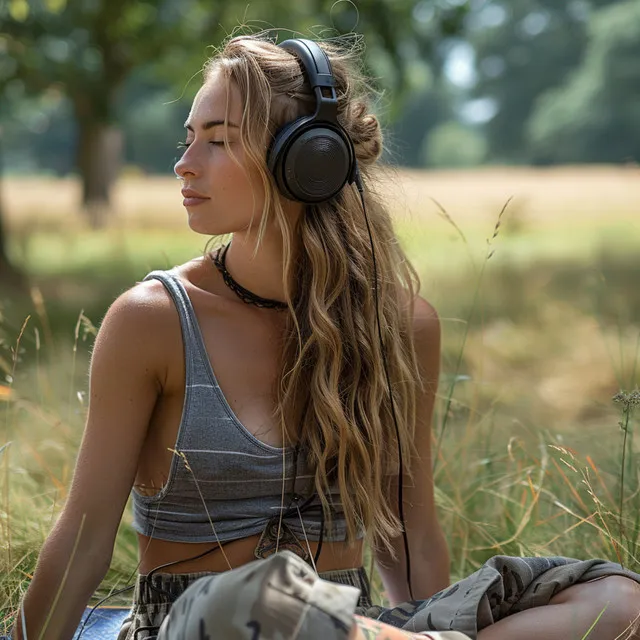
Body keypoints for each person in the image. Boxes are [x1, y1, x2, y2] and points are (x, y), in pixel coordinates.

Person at [10, 30, 640, 640]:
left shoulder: (399, 324)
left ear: (307, 160)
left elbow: (407, 533)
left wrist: (427, 617)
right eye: (189, 138)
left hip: (353, 627)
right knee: (261, 597)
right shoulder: (152, 319)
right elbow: (86, 539)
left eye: (219, 141)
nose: (184, 164)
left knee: (617, 601)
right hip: (202, 624)